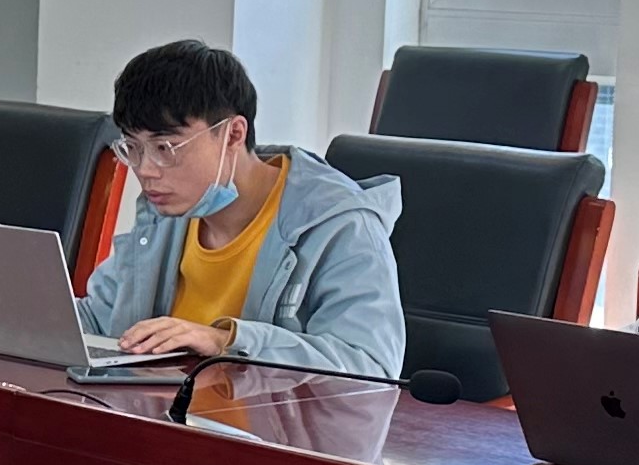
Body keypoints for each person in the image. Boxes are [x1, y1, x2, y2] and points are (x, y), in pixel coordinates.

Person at [78, 40, 408, 377]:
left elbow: (371, 369)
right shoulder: (165, 213)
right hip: (157, 408)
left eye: (165, 147)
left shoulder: (341, 225)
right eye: (132, 148)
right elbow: (98, 319)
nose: (145, 170)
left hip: (261, 413)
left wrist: (225, 342)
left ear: (233, 134)